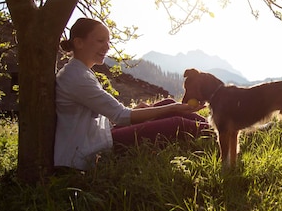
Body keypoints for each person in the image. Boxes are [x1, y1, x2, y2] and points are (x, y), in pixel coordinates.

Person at [54, 17, 210, 171]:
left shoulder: (79, 72)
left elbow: (106, 115)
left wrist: (146, 110)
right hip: (89, 150)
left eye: (108, 42)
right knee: (176, 122)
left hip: (99, 136)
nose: (107, 47)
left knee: (167, 102)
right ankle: (219, 134)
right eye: (100, 41)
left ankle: (214, 127)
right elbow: (121, 115)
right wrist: (172, 109)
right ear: (79, 42)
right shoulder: (76, 77)